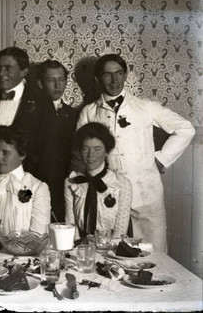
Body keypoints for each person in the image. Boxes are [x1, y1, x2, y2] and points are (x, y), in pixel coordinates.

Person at [74, 54, 195, 252]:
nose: (114, 80)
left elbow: (186, 128)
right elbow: (80, 153)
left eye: (119, 73)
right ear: (98, 78)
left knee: (154, 255)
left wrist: (161, 160)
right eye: (107, 75)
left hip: (146, 195)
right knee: (109, 256)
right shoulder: (89, 112)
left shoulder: (145, 107)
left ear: (125, 75)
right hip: (108, 197)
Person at [0, 126, 51, 237]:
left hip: (26, 253)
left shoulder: (37, 188)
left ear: (22, 155)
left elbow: (39, 235)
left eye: (5, 152)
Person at [0, 47, 41, 177]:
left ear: (24, 72)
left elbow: (47, 151)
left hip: (28, 180)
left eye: (8, 68)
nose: (1, 73)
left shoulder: (41, 102)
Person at [65, 122, 132, 241]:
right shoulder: (71, 183)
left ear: (106, 152)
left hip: (111, 249)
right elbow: (71, 225)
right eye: (85, 149)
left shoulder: (122, 184)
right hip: (81, 248)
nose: (91, 155)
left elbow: (120, 231)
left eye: (97, 149)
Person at [34, 59, 78, 222]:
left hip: (65, 184)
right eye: (51, 80)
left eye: (61, 80)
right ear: (40, 83)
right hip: (38, 182)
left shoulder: (73, 114)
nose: (57, 85)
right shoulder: (31, 114)